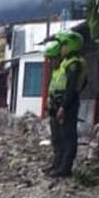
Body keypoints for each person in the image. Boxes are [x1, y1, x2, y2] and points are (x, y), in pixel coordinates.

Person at [47, 30, 86, 178]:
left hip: (67, 104)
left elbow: (71, 87)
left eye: (62, 45)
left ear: (69, 45)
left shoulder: (73, 64)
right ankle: (57, 164)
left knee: (68, 136)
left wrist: (64, 106)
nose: (61, 48)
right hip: (59, 103)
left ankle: (65, 168)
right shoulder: (65, 64)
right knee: (57, 136)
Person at [43, 40, 64, 173]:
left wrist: (63, 106)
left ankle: (61, 165)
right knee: (55, 139)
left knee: (62, 139)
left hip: (61, 109)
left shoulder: (64, 70)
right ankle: (55, 164)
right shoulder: (56, 72)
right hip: (53, 109)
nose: (51, 62)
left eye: (52, 59)